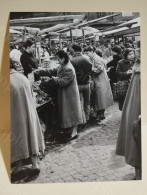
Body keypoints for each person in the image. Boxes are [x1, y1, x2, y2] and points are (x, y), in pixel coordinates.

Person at [34, 50, 83, 141]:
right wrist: (40, 72)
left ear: (63, 58)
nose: (57, 60)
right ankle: (69, 131)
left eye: (58, 58)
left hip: (69, 95)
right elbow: (52, 71)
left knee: (71, 113)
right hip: (65, 94)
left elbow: (63, 82)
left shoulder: (69, 68)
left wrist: (52, 79)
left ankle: (73, 133)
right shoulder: (63, 66)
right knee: (67, 113)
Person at [10, 59, 45, 179]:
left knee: (18, 139)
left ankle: (19, 167)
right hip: (30, 113)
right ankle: (35, 165)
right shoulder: (23, 78)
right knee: (31, 137)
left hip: (15, 116)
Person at [116, 50, 141, 180]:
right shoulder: (138, 71)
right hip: (137, 112)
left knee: (137, 143)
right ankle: (139, 175)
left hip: (136, 111)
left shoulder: (137, 70)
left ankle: (139, 174)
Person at [84, 46, 114, 122]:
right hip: (97, 80)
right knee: (98, 97)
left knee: (101, 97)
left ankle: (101, 114)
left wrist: (89, 70)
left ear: (92, 51)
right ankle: (98, 113)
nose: (86, 54)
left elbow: (99, 69)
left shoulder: (96, 58)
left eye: (87, 53)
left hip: (100, 80)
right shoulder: (92, 58)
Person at [71, 44, 92, 124]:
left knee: (80, 103)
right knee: (87, 102)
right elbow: (90, 70)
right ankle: (87, 118)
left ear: (74, 50)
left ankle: (82, 121)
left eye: (71, 50)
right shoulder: (87, 58)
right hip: (87, 83)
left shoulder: (72, 60)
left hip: (78, 84)